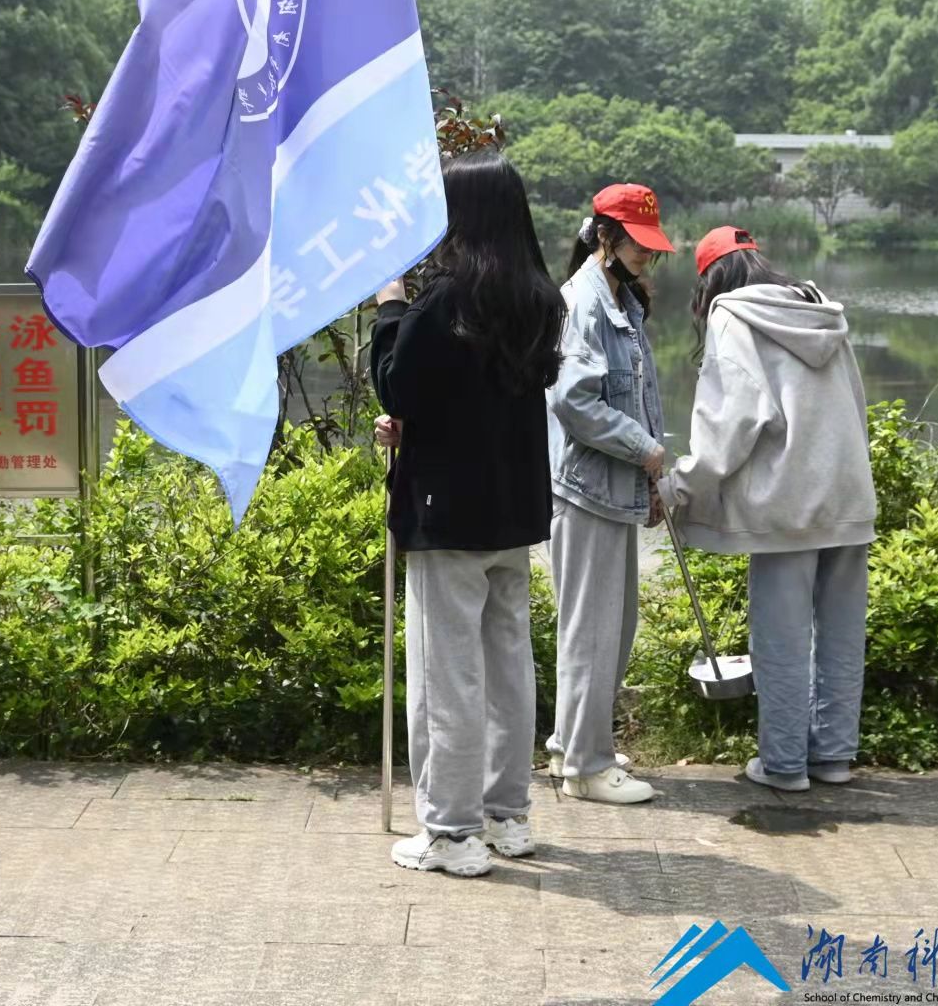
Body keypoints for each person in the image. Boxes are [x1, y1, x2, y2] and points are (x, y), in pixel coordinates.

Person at [370, 150, 565, 877]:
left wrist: (390, 305)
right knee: (508, 668)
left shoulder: (445, 300)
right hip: (513, 512)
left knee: (446, 675)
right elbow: (467, 398)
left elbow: (397, 383)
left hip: (447, 515)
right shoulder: (537, 299)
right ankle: (506, 815)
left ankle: (452, 833)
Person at [658, 227, 877, 792]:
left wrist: (680, 485)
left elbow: (730, 422)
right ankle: (833, 757)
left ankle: (783, 765)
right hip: (848, 493)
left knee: (781, 638)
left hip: (786, 504)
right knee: (842, 635)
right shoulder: (822, 310)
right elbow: (856, 404)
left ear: (710, 281)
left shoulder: (733, 317)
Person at [545, 184, 675, 805]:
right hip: (586, 491)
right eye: (637, 243)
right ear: (604, 236)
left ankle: (571, 743)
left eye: (651, 245)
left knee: (610, 628)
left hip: (613, 486)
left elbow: (636, 396)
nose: (647, 254)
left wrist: (649, 477)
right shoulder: (584, 302)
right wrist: (644, 450)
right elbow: (574, 402)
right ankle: (586, 768)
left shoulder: (620, 298)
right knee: (592, 631)